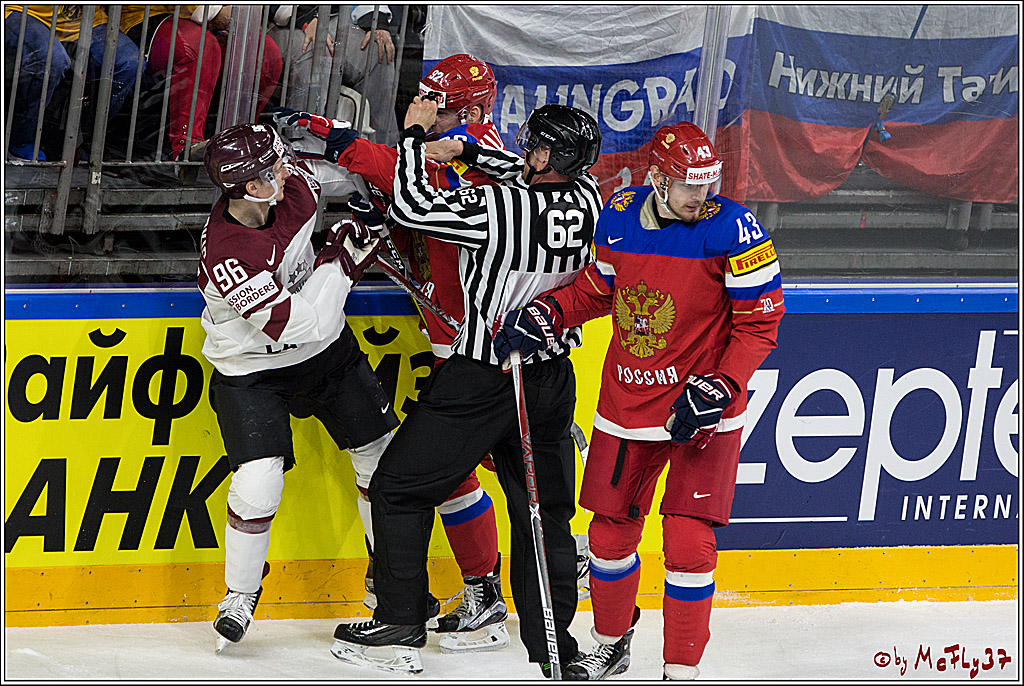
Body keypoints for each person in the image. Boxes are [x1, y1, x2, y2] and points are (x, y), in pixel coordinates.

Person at [492, 121, 785, 680]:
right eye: (689, 185)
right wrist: (550, 313)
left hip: (702, 409)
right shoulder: (619, 216)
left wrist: (723, 385)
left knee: (688, 541)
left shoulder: (737, 230)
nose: (701, 195)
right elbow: (598, 290)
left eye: (708, 182)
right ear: (658, 179)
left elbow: (760, 324)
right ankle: (611, 642)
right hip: (627, 401)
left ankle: (681, 668)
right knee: (607, 536)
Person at [329, 100, 603, 676]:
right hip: (550, 379)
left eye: (535, 146)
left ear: (547, 156)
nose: (525, 153)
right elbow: (519, 171)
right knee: (544, 516)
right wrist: (468, 150)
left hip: (482, 377)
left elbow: (413, 205)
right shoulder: (588, 199)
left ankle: (400, 620)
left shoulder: (501, 208)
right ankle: (555, 647)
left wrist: (414, 135)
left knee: (398, 487)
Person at [272, 52, 511, 655]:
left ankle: (472, 598)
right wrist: (327, 135)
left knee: (433, 475)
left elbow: (406, 186)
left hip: (481, 346)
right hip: (454, 340)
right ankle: (486, 593)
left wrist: (342, 145)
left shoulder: (479, 165)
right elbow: (396, 182)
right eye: (422, 98)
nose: (422, 111)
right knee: (458, 475)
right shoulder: (440, 151)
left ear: (469, 112)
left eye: (436, 105)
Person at [197, 122, 397, 649]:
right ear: (248, 188)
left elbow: (341, 173)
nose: (285, 171)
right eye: (273, 169)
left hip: (326, 356)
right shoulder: (228, 255)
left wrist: (377, 192)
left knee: (381, 459)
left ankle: (387, 580)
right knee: (257, 482)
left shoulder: (290, 187)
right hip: (251, 368)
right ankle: (240, 594)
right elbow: (302, 323)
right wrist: (343, 261)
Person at [120, 5, 283, 161]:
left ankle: (241, 142)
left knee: (265, 51)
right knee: (200, 46)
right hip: (148, 16)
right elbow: (206, 12)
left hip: (213, 20)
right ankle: (187, 146)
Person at [4, 5, 142, 160]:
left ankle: (80, 140)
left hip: (87, 20)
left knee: (129, 63)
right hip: (28, 12)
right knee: (51, 59)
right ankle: (21, 137)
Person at [267, 4, 400, 148]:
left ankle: (383, 149)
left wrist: (377, 23)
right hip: (283, 21)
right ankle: (304, 148)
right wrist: (306, 19)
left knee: (377, 49)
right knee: (316, 50)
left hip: (334, 18)